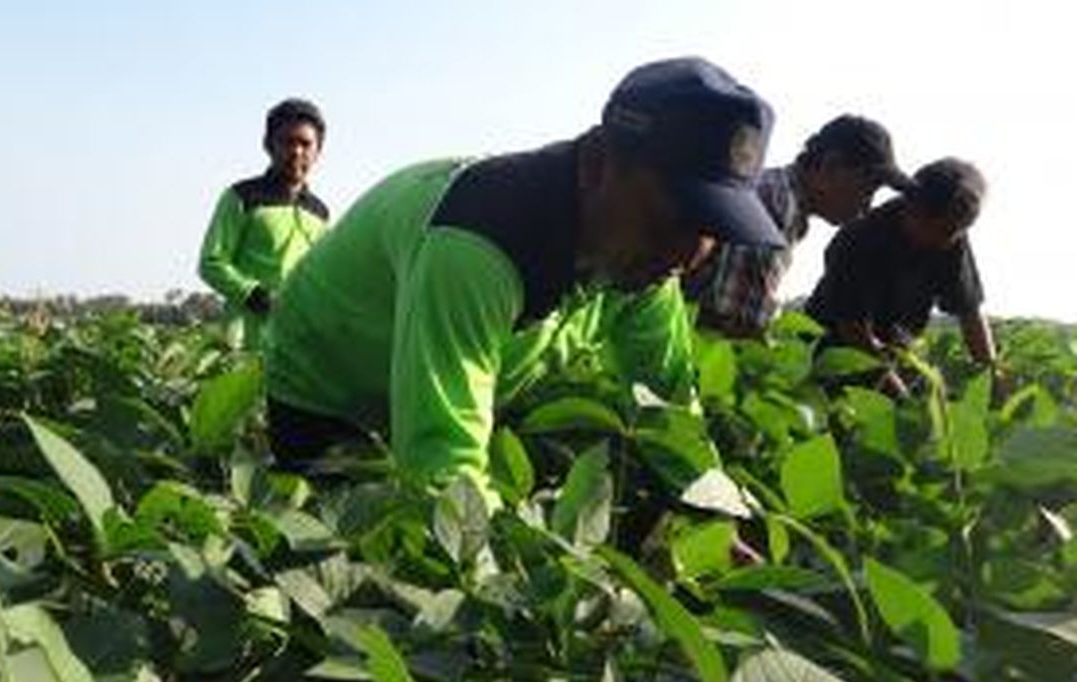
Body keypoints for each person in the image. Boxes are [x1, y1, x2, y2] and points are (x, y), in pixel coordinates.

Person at [264, 58, 785, 497]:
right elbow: (443, 466)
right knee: (349, 550)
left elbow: (669, 405)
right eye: (672, 216)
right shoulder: (477, 237)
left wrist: (715, 510)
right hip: (327, 382)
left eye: (710, 227)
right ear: (599, 164)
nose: (687, 254)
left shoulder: (648, 264)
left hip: (434, 380)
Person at [684, 115, 912, 337]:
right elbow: (737, 326)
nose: (866, 207)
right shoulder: (775, 206)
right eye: (866, 191)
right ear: (831, 166)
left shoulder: (782, 199)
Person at [805, 157, 996, 396]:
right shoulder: (858, 239)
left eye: (953, 233)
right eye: (938, 230)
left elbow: (970, 312)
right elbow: (854, 332)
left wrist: (992, 380)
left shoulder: (949, 240)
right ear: (912, 208)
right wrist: (903, 400)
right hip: (834, 357)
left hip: (892, 353)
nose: (944, 242)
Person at [198, 98, 330, 348]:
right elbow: (211, 262)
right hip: (245, 340)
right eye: (288, 142)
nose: (297, 151)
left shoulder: (320, 212)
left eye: (305, 144)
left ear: (318, 151)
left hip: (296, 343)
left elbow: (320, 277)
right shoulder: (242, 196)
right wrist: (256, 296)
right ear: (269, 145)